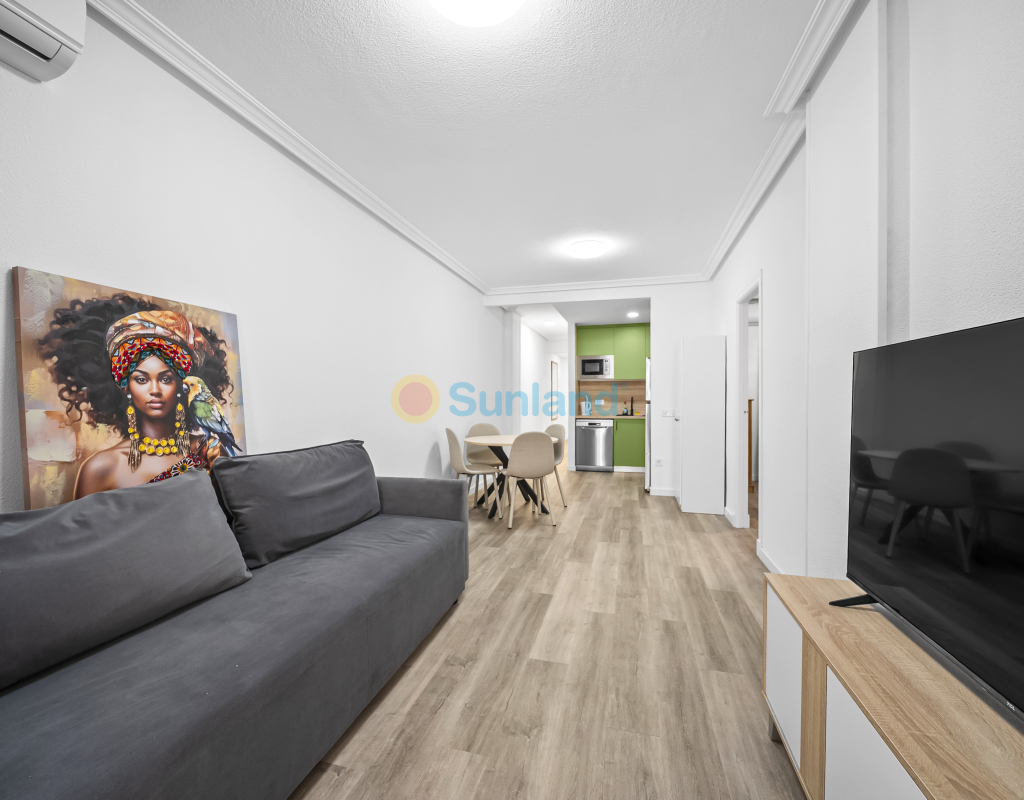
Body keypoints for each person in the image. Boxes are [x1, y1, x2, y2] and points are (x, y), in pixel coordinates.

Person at [38, 295, 239, 498]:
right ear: (125, 387)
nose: (155, 390)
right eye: (142, 379)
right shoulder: (100, 468)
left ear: (181, 385)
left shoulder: (208, 451)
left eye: (166, 379)